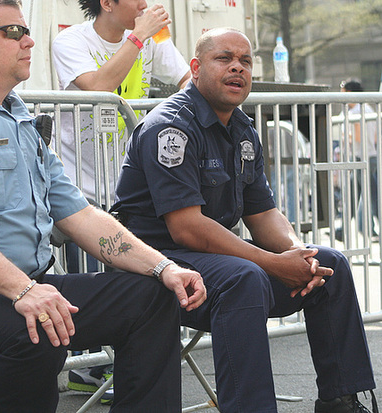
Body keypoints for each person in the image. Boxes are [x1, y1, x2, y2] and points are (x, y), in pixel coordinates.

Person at [0, 2, 206, 413]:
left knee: (151, 296)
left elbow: (81, 216)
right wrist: (25, 290)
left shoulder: (18, 117)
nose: (30, 40)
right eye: (14, 32)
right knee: (36, 326)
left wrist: (164, 267)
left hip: (25, 287)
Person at [111, 28, 378, 413]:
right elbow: (186, 228)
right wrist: (273, 264)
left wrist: (295, 252)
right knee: (245, 277)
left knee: (328, 263)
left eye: (245, 60)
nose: (237, 67)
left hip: (211, 263)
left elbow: (263, 213)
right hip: (156, 264)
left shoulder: (242, 129)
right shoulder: (169, 127)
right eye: (224, 58)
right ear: (196, 68)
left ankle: (342, 401)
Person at [51, 0, 190, 202]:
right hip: (75, 180)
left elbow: (187, 79)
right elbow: (97, 86)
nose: (143, 4)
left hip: (128, 180)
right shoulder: (70, 40)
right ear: (107, 4)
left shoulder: (151, 37)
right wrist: (139, 36)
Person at [335, 78, 378, 242]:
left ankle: (345, 229)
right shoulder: (368, 108)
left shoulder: (354, 112)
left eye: (343, 94)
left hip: (361, 157)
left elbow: (358, 136)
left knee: (372, 196)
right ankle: (343, 229)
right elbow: (373, 136)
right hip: (370, 155)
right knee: (357, 195)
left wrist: (346, 135)